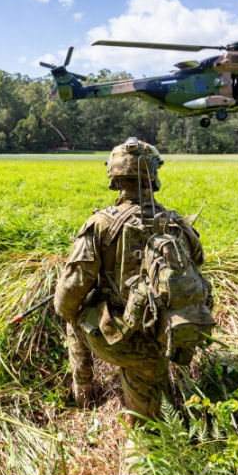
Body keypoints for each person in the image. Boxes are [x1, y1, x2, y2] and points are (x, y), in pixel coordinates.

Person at [53, 136, 209, 431]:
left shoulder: (100, 224)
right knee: (153, 426)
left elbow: (66, 298)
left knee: (74, 314)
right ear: (153, 176)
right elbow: (197, 263)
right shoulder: (176, 224)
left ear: (115, 178)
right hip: (165, 338)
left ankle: (83, 392)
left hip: (116, 341)